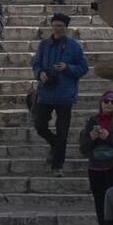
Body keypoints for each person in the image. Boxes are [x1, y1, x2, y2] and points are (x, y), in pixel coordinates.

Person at [30, 11, 89, 171]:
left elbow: (84, 68)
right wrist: (40, 73)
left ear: (66, 28)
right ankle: (55, 144)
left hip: (65, 95)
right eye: (55, 26)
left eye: (61, 26)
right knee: (40, 125)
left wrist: (67, 68)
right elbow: (36, 64)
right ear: (51, 26)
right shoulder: (44, 45)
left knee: (63, 132)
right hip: (46, 93)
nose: (58, 29)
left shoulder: (74, 46)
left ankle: (58, 166)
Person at [83, 88, 113, 225]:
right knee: (100, 206)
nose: (109, 104)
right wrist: (91, 138)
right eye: (106, 101)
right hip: (96, 170)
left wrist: (108, 137)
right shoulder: (92, 121)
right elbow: (83, 148)